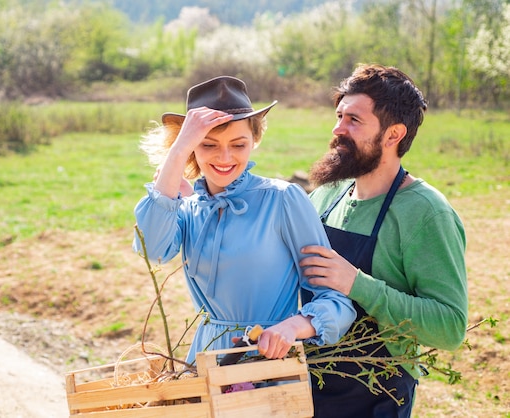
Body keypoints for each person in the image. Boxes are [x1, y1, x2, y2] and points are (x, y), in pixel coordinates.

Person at [133, 76, 356, 365]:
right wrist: (176, 155)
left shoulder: (282, 200)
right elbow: (151, 249)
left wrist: (290, 328)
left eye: (238, 145)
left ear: (255, 140)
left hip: (267, 362)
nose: (224, 157)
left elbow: (337, 303)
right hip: (205, 361)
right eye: (208, 145)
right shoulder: (188, 208)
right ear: (191, 147)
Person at [299, 64, 469, 417]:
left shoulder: (425, 213)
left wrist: (357, 284)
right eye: (339, 116)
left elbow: (450, 327)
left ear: (393, 135)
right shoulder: (326, 195)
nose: (337, 129)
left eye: (354, 121)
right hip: (305, 386)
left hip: (376, 395)